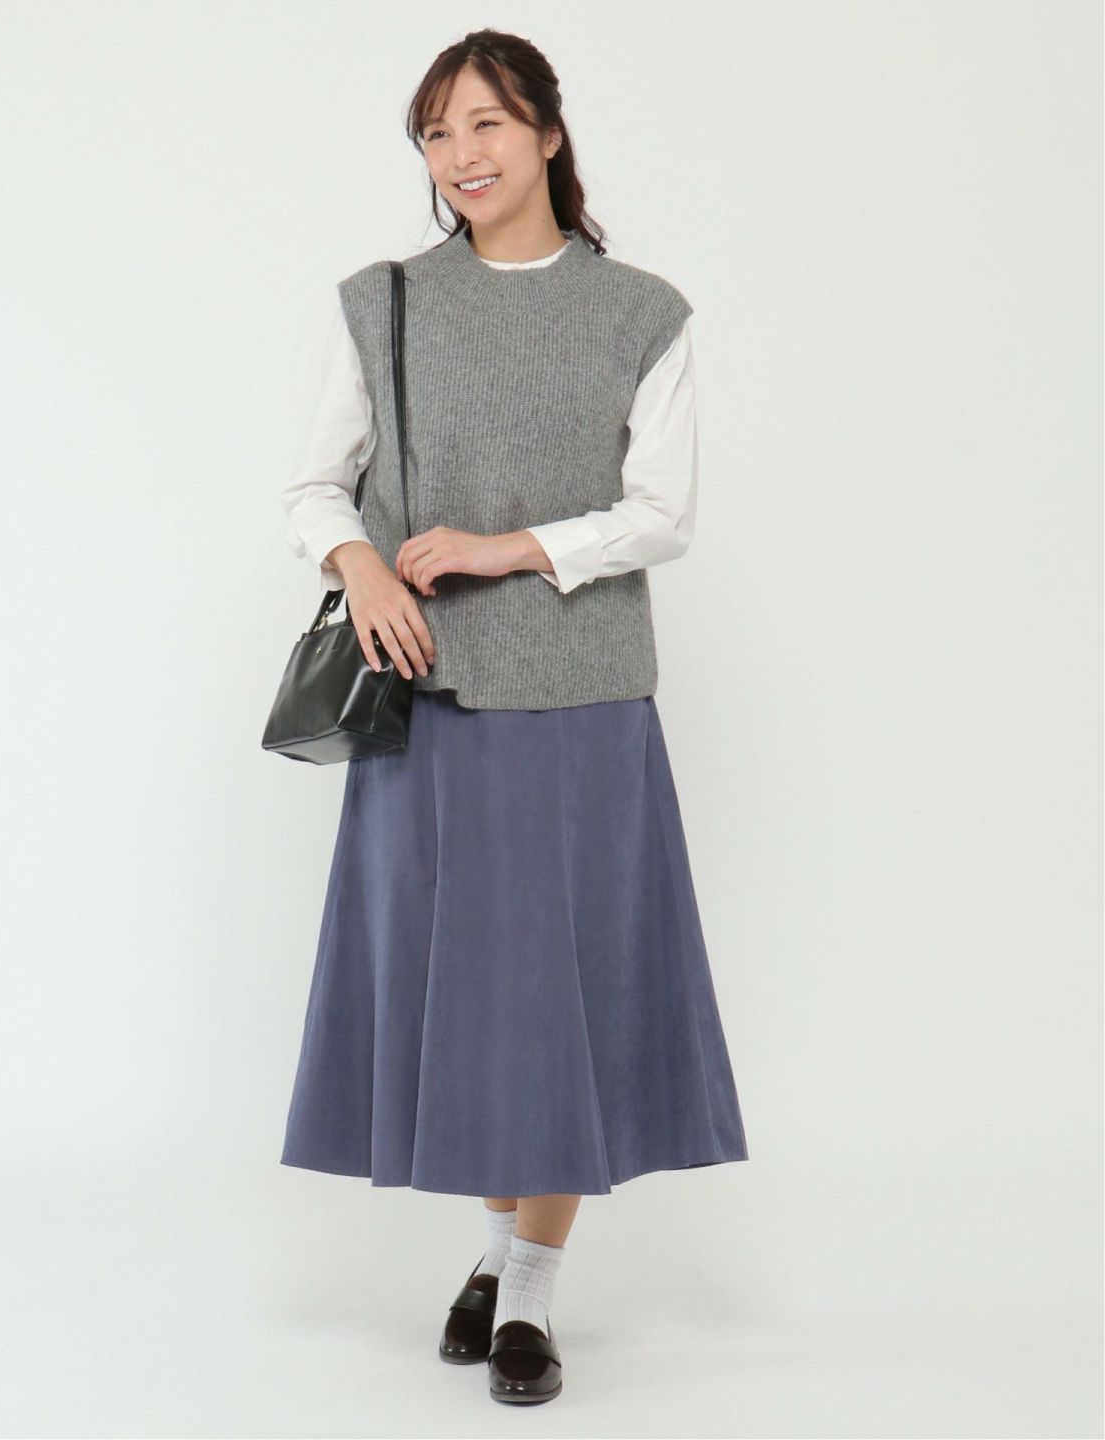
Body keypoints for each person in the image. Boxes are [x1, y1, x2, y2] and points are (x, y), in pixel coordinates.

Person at [277, 28, 748, 1406]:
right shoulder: (385, 302)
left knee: (565, 1003)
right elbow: (314, 486)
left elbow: (663, 514)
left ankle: (525, 1292)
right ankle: (502, 1259)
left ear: (546, 130)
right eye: (435, 134)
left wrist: (507, 546)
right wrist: (363, 566)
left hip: (584, 701)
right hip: (428, 697)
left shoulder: (643, 313)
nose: (461, 155)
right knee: (471, 1005)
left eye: (484, 122)